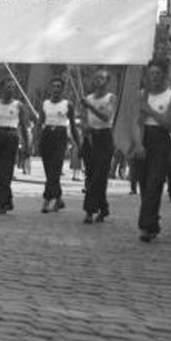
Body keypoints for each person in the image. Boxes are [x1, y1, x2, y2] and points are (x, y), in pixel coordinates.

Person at [136, 58, 171, 243]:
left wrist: (150, 110)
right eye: (151, 73)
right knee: (144, 184)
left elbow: (169, 124)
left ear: (163, 75)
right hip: (144, 139)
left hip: (161, 140)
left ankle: (146, 226)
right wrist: (139, 144)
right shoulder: (141, 94)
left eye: (157, 73)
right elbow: (139, 122)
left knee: (155, 184)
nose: (154, 77)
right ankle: (152, 223)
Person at [0, 77, 29, 216]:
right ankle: (7, 200)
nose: (11, 89)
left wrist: (27, 144)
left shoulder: (19, 105)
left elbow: (23, 125)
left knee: (6, 171)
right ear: (2, 88)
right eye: (8, 86)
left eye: (13, 87)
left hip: (11, 137)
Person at [79, 67, 117, 224]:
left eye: (102, 78)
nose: (98, 81)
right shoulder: (88, 98)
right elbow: (82, 118)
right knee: (91, 175)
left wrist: (90, 107)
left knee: (99, 176)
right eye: (96, 78)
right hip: (90, 139)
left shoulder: (111, 98)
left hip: (105, 138)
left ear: (107, 81)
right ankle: (103, 207)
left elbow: (106, 117)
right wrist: (84, 127)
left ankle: (89, 210)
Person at [38, 76, 78, 213]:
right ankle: (59, 198)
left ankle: (47, 199)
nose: (56, 89)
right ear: (50, 88)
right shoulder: (44, 104)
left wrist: (78, 143)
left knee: (55, 168)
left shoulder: (68, 105)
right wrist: (34, 141)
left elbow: (73, 126)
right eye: (53, 86)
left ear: (62, 89)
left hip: (60, 136)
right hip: (47, 135)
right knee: (49, 170)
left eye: (58, 86)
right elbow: (39, 123)